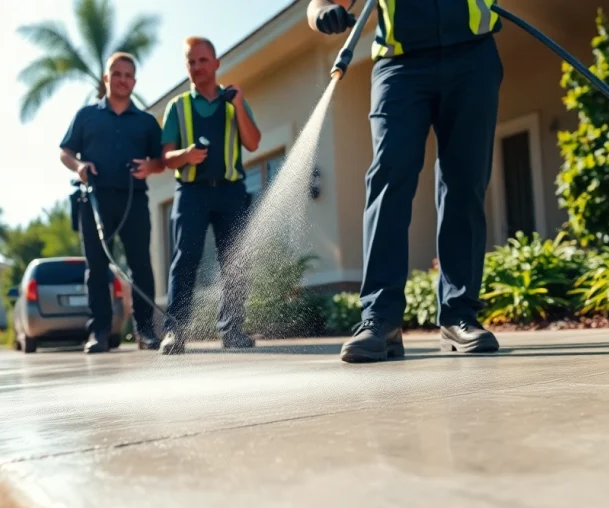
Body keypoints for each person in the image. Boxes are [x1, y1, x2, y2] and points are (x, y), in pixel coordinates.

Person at [307, 0, 504, 362]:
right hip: (400, 66)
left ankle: (459, 315)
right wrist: (323, 14)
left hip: (473, 57)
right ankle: (380, 318)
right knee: (389, 178)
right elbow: (319, 3)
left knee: (465, 183)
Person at [158, 36, 262, 355]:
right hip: (191, 193)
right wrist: (185, 154)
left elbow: (254, 143)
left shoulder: (234, 101)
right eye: (191, 61)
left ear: (216, 64)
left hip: (230, 192)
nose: (197, 67)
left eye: (203, 60)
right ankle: (175, 332)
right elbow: (166, 158)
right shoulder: (178, 106)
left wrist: (239, 105)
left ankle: (232, 331)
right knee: (185, 260)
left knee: (234, 262)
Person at [59, 52, 165, 353]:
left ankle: (146, 332)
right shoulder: (86, 116)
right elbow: (64, 152)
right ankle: (99, 333)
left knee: (141, 265)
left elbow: (161, 160)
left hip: (134, 199)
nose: (122, 80)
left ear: (134, 81)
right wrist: (78, 167)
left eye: (128, 75)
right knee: (96, 267)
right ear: (106, 78)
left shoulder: (145, 122)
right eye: (116, 74)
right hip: (94, 200)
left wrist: (150, 167)